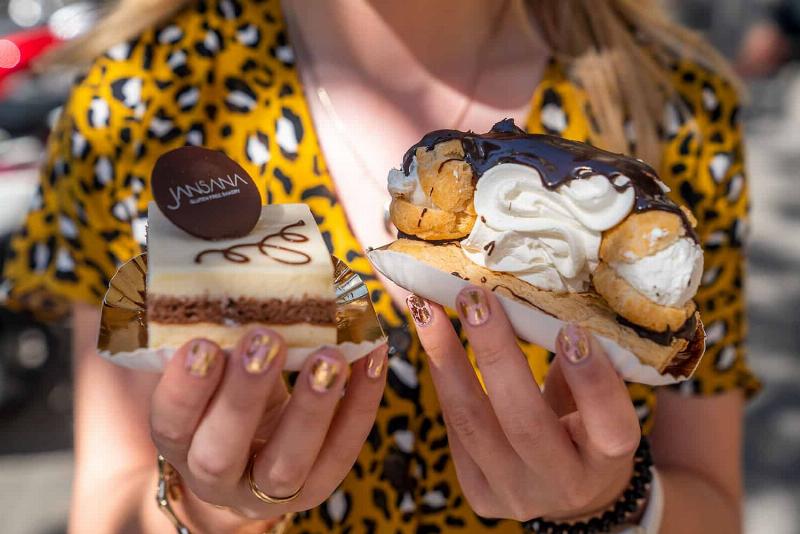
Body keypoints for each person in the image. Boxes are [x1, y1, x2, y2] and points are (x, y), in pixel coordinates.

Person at [3, 0, 759, 532]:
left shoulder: (671, 105)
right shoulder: (141, 104)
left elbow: (715, 505)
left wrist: (612, 507)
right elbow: (108, 507)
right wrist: (202, 508)